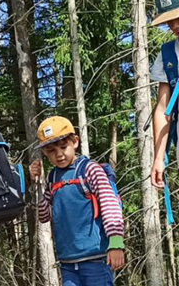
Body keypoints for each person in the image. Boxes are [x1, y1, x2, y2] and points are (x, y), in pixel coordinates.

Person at [29, 116, 125, 286]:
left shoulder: (90, 170)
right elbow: (44, 215)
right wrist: (36, 185)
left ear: (75, 142)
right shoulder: (53, 177)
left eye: (63, 147)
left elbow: (110, 204)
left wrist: (116, 242)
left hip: (97, 258)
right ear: (45, 153)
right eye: (51, 150)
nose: (59, 154)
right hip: (67, 261)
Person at [150, 0, 179, 189]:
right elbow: (162, 109)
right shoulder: (168, 55)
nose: (174, 25)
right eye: (169, 19)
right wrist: (158, 158)